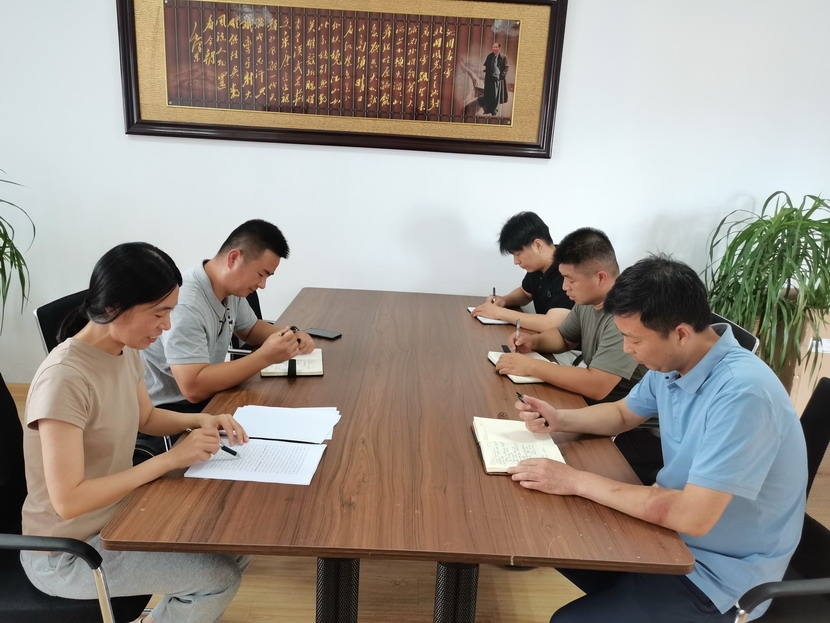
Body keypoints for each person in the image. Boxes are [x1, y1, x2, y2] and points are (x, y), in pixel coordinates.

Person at [508, 255, 807, 622]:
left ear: (680, 333)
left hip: (720, 573)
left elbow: (692, 516)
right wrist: (559, 418)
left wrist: (575, 481)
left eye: (633, 339)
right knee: (554, 539)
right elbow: (623, 414)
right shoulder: (675, 362)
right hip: (667, 535)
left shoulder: (743, 395)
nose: (627, 349)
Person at [21, 242, 252, 622]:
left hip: (117, 515)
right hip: (67, 552)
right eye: (159, 313)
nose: (167, 326)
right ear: (115, 308)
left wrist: (201, 420)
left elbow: (146, 416)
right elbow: (68, 501)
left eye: (171, 311)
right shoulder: (64, 379)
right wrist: (171, 459)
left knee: (231, 541)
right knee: (217, 577)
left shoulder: (123, 349)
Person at [142, 219, 315, 412]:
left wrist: (291, 336)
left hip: (209, 396)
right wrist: (265, 357)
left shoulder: (230, 290)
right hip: (172, 409)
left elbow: (251, 329)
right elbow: (193, 389)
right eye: (261, 274)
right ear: (234, 258)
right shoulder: (186, 304)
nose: (263, 285)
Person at [496, 227, 645, 404]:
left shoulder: (627, 314)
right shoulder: (587, 301)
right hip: (593, 398)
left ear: (600, 278)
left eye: (571, 280)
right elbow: (564, 337)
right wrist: (533, 342)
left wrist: (531, 366)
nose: (565, 287)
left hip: (620, 409)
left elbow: (598, 385)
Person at [471, 211, 574, 332]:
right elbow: (525, 293)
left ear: (538, 245)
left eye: (518, 254)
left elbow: (551, 324)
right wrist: (505, 300)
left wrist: (499, 313)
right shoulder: (537, 267)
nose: (516, 261)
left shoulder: (568, 270)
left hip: (567, 343)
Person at [482, 41, 508, 115]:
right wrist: (484, 67)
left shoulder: (503, 57)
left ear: (499, 48)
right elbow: (485, 64)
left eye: (496, 47)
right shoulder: (489, 56)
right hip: (489, 77)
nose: (494, 48)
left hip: (497, 78)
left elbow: (506, 67)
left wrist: (501, 76)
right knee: (488, 94)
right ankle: (488, 109)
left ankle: (494, 111)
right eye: (494, 47)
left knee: (495, 95)